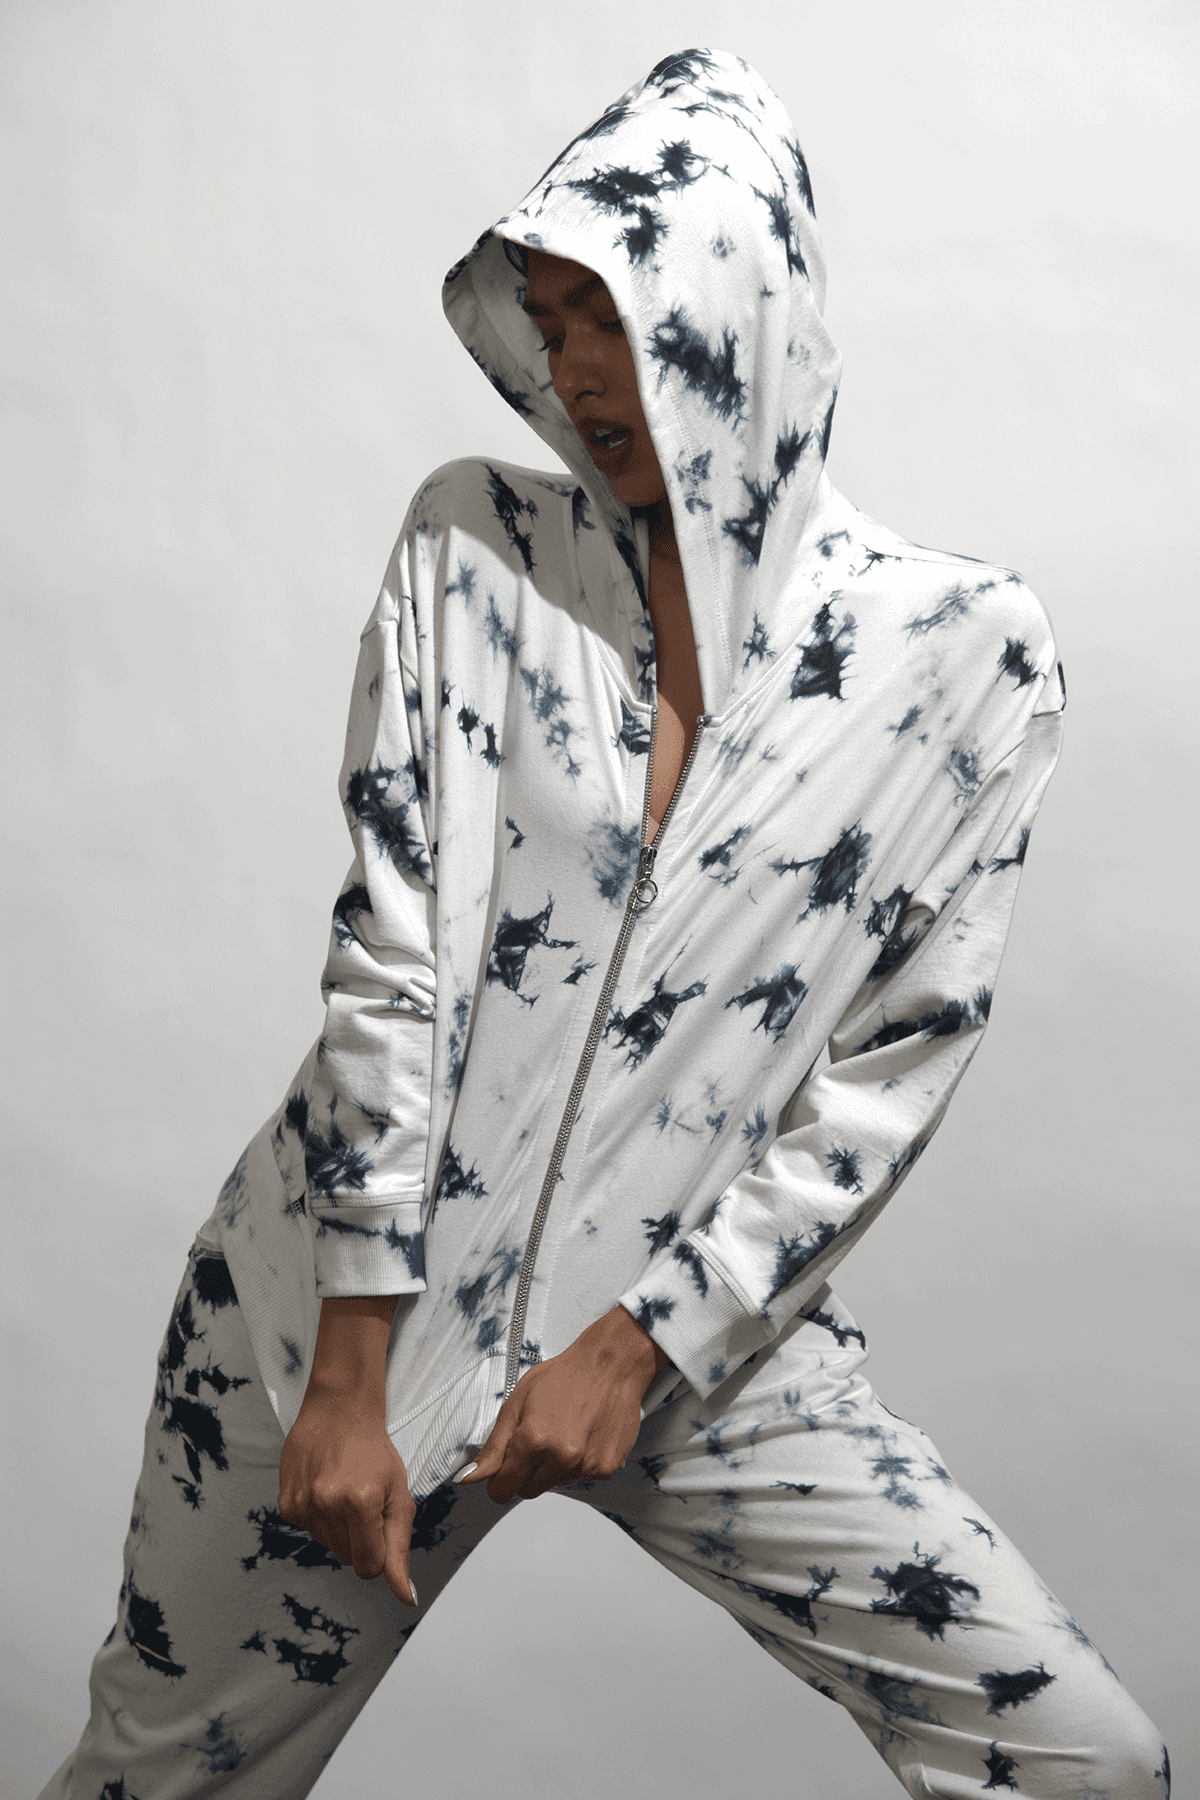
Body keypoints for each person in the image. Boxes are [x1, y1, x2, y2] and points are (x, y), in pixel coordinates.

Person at [43, 47, 1168, 1800]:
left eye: (618, 320)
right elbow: (394, 959)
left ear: (747, 311)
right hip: (333, 1333)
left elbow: (890, 1070)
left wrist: (643, 1346)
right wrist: (347, 1376)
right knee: (150, 1787)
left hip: (693, 1340)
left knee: (1082, 1761)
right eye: (553, 321)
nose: (577, 371)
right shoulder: (476, 548)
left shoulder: (959, 663)